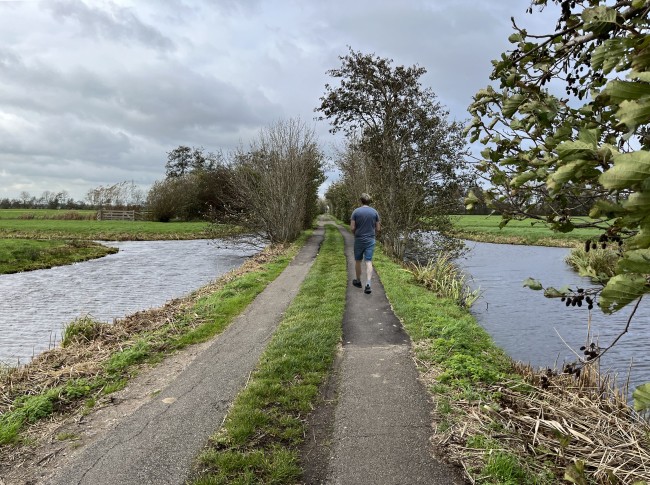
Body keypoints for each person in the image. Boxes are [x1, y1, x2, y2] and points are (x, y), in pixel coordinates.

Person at [350, 193, 380, 294]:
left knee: (358, 260)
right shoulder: (375, 212)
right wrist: (372, 235)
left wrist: (356, 234)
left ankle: (358, 281)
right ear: (369, 201)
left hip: (359, 239)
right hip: (370, 240)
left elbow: (352, 228)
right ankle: (368, 284)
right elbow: (378, 228)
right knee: (368, 261)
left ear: (361, 200)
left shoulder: (356, 212)